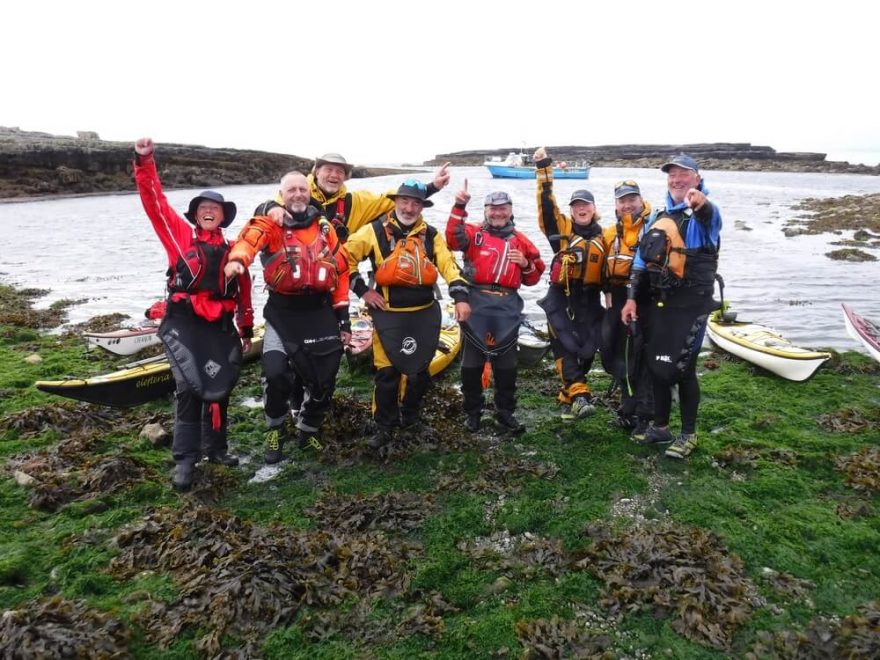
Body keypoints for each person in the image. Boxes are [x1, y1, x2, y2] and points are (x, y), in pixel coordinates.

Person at [253, 154, 451, 416]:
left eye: (340, 171)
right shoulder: (298, 194)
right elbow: (263, 213)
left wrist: (432, 186)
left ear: (346, 176)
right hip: (292, 291)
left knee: (322, 353)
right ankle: (294, 403)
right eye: (328, 170)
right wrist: (268, 208)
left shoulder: (355, 202)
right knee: (291, 357)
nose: (334, 175)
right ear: (316, 171)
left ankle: (314, 410)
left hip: (331, 289)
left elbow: (395, 200)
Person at [133, 137, 254, 491]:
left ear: (223, 216)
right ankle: (185, 460)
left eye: (215, 207)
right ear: (196, 212)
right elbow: (153, 201)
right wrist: (144, 160)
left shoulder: (235, 252)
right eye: (203, 206)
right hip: (183, 324)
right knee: (189, 388)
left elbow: (243, 293)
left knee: (220, 385)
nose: (209, 209)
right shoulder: (179, 238)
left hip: (218, 326)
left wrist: (246, 329)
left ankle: (216, 449)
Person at [224, 171, 351, 463]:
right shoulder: (271, 223)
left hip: (319, 311)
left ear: (309, 193)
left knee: (325, 378)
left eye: (302, 189)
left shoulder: (324, 228)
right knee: (275, 372)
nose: (297, 194)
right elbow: (249, 239)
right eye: (291, 190)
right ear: (281, 194)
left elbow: (341, 270)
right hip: (282, 312)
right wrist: (237, 260)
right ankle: (276, 429)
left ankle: (308, 431)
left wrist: (343, 318)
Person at [346, 179, 471, 449]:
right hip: (387, 314)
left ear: (422, 207)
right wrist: (363, 291)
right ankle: (384, 425)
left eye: (416, 203)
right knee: (387, 373)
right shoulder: (373, 231)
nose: (409, 207)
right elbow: (343, 259)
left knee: (419, 373)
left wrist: (460, 298)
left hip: (425, 314)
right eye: (404, 201)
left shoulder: (432, 235)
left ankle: (411, 417)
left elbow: (449, 266)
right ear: (395, 202)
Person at [621, 154, 723, 459]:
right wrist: (630, 298)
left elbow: (710, 218)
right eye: (672, 175)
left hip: (692, 305)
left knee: (682, 369)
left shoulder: (704, 213)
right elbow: (640, 260)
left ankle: (688, 434)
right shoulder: (659, 217)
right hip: (661, 303)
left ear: (697, 178)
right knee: (655, 365)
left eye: (683, 174)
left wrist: (702, 204)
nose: (676, 180)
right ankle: (661, 427)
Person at [445, 182, 545, 433]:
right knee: (471, 365)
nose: (498, 213)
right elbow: (451, 238)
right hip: (476, 302)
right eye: (493, 209)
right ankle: (473, 412)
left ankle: (505, 412)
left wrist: (524, 264)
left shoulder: (522, 241)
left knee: (507, 365)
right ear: (486, 211)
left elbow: (533, 278)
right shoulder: (474, 233)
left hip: (507, 305)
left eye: (503, 208)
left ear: (510, 210)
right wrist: (459, 204)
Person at [533, 146, 607, 420]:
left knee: (587, 351)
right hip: (560, 298)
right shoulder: (562, 232)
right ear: (572, 211)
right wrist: (543, 169)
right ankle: (579, 395)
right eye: (576, 206)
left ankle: (568, 394)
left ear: (594, 209)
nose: (581, 209)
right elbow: (546, 205)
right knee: (565, 345)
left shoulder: (606, 237)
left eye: (585, 205)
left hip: (589, 300)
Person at [599, 180, 654, 438]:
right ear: (616, 204)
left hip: (646, 299)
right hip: (618, 299)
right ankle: (626, 409)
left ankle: (646, 416)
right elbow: (600, 267)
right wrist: (606, 289)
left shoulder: (654, 226)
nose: (627, 204)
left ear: (641, 200)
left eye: (632, 199)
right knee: (616, 354)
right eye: (622, 200)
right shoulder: (610, 233)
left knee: (641, 359)